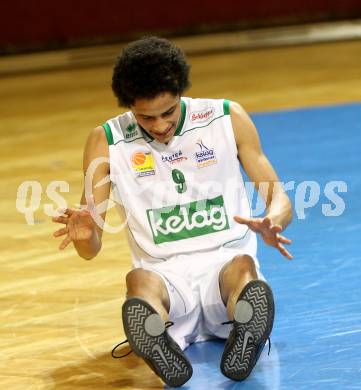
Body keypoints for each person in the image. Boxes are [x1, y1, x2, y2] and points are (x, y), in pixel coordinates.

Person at [52, 36, 293, 387]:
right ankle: (156, 338)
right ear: (128, 107)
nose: (161, 125)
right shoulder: (105, 140)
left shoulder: (226, 118)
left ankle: (246, 326)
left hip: (224, 263)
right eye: (146, 117)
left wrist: (274, 219)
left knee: (244, 268)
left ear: (181, 92)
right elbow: (91, 250)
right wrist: (85, 234)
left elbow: (280, 198)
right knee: (138, 281)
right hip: (164, 275)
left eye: (168, 112)